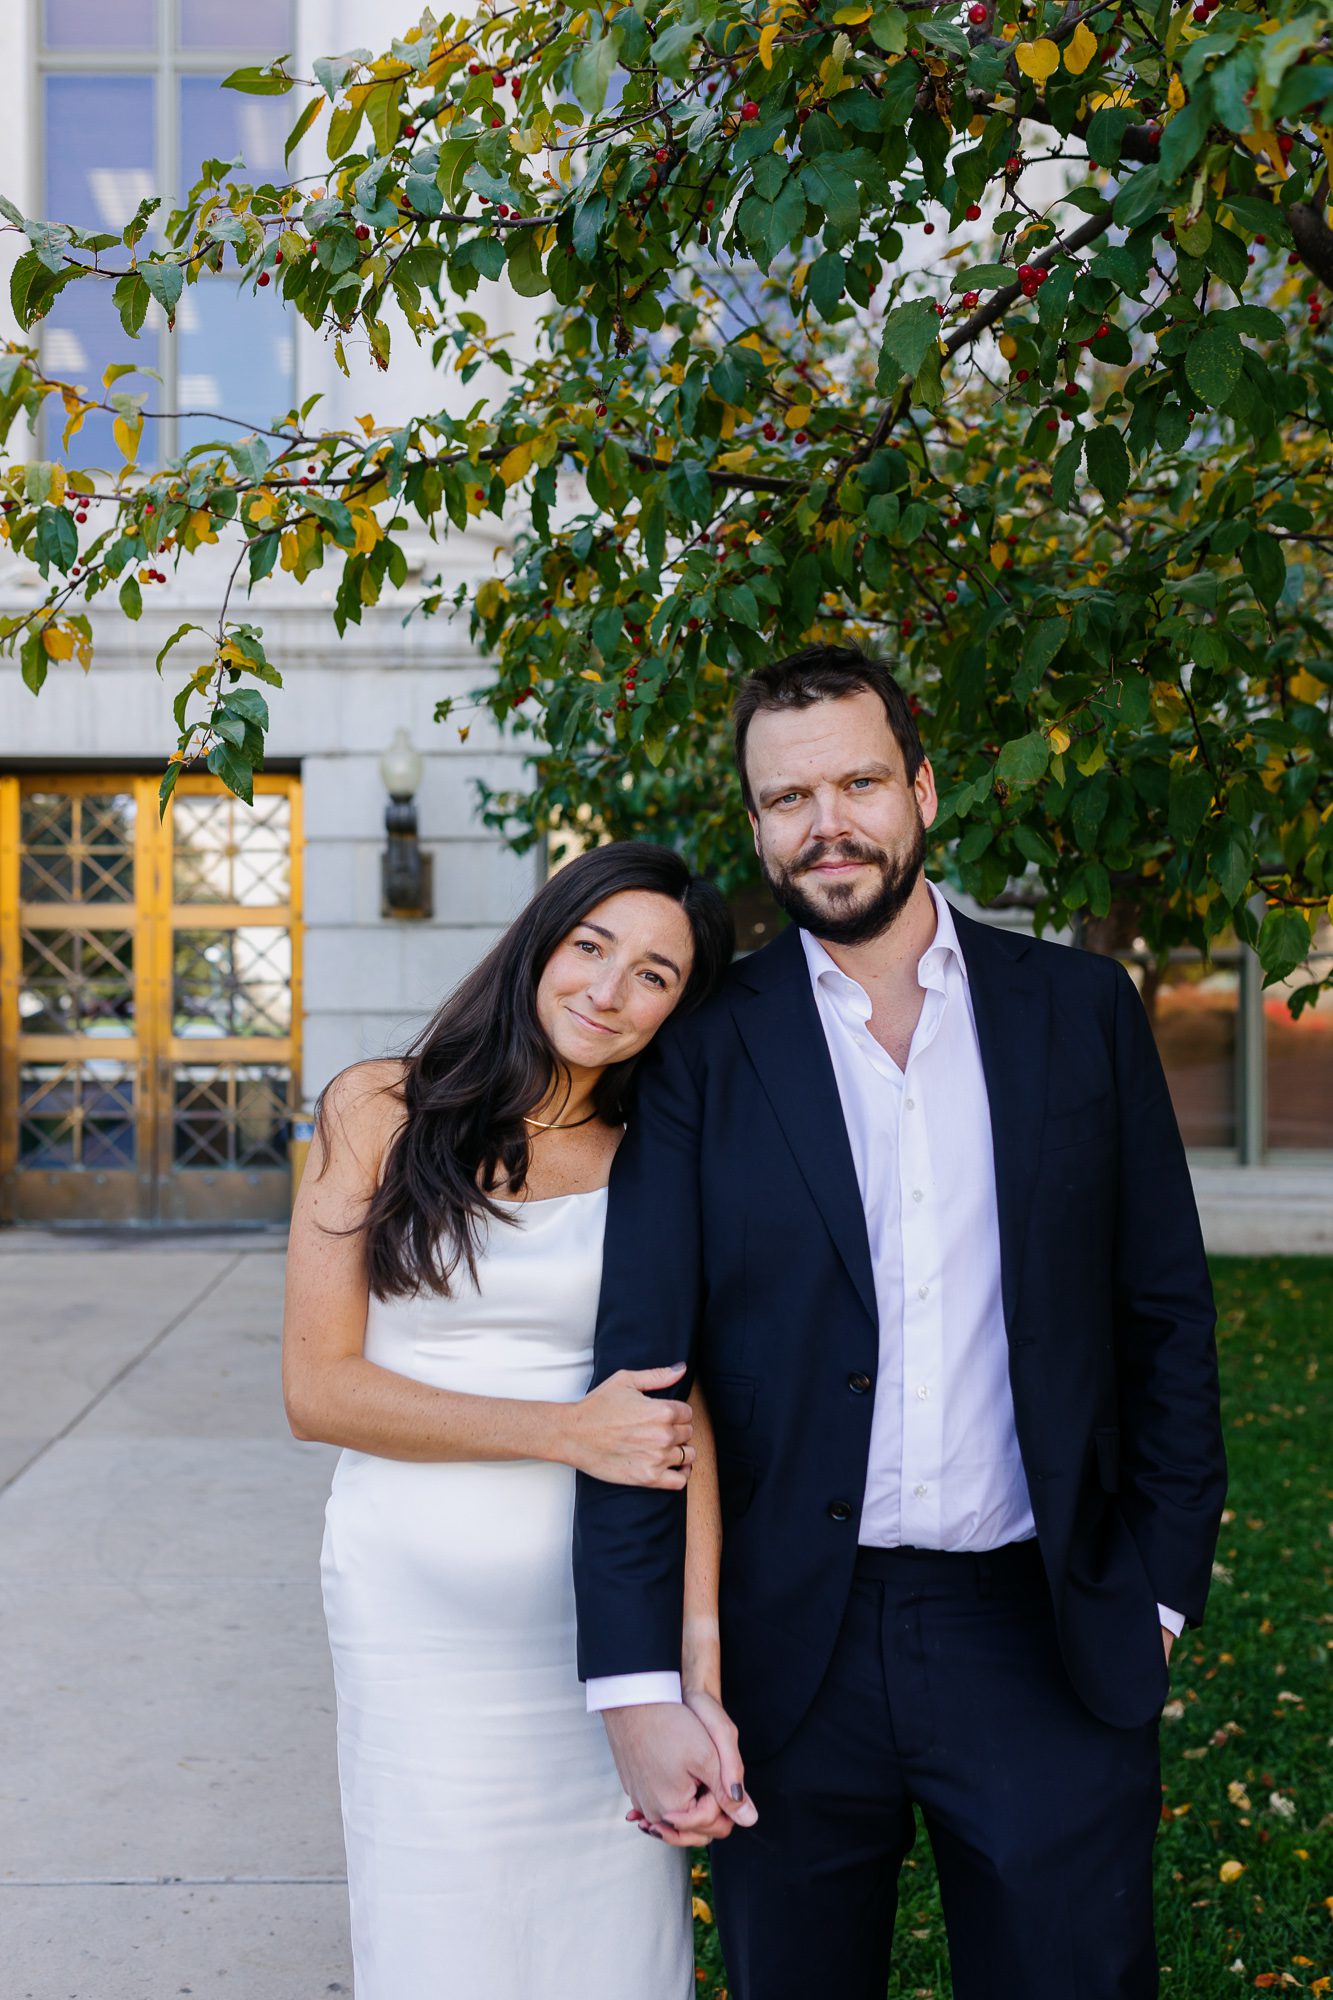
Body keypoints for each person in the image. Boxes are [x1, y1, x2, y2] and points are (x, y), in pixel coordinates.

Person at [574, 645, 1228, 1999]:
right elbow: (643, 1374)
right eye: (786, 798)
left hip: (1043, 1622)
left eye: (858, 781)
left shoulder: (1076, 1013)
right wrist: (638, 1682)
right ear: (753, 825)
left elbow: (1163, 1314)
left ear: (921, 790)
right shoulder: (699, 1051)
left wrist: (1157, 1591)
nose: (827, 824)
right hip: (785, 1645)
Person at [281, 841, 746, 2000]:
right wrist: (562, 1430)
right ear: (540, 943)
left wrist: (695, 1663)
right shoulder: (378, 1105)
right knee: (438, 1925)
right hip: (413, 1606)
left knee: (613, 1941)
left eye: (654, 974)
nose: (607, 988)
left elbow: (682, 1419)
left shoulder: (655, 1158)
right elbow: (318, 1388)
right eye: (591, 946)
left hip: (601, 1613)